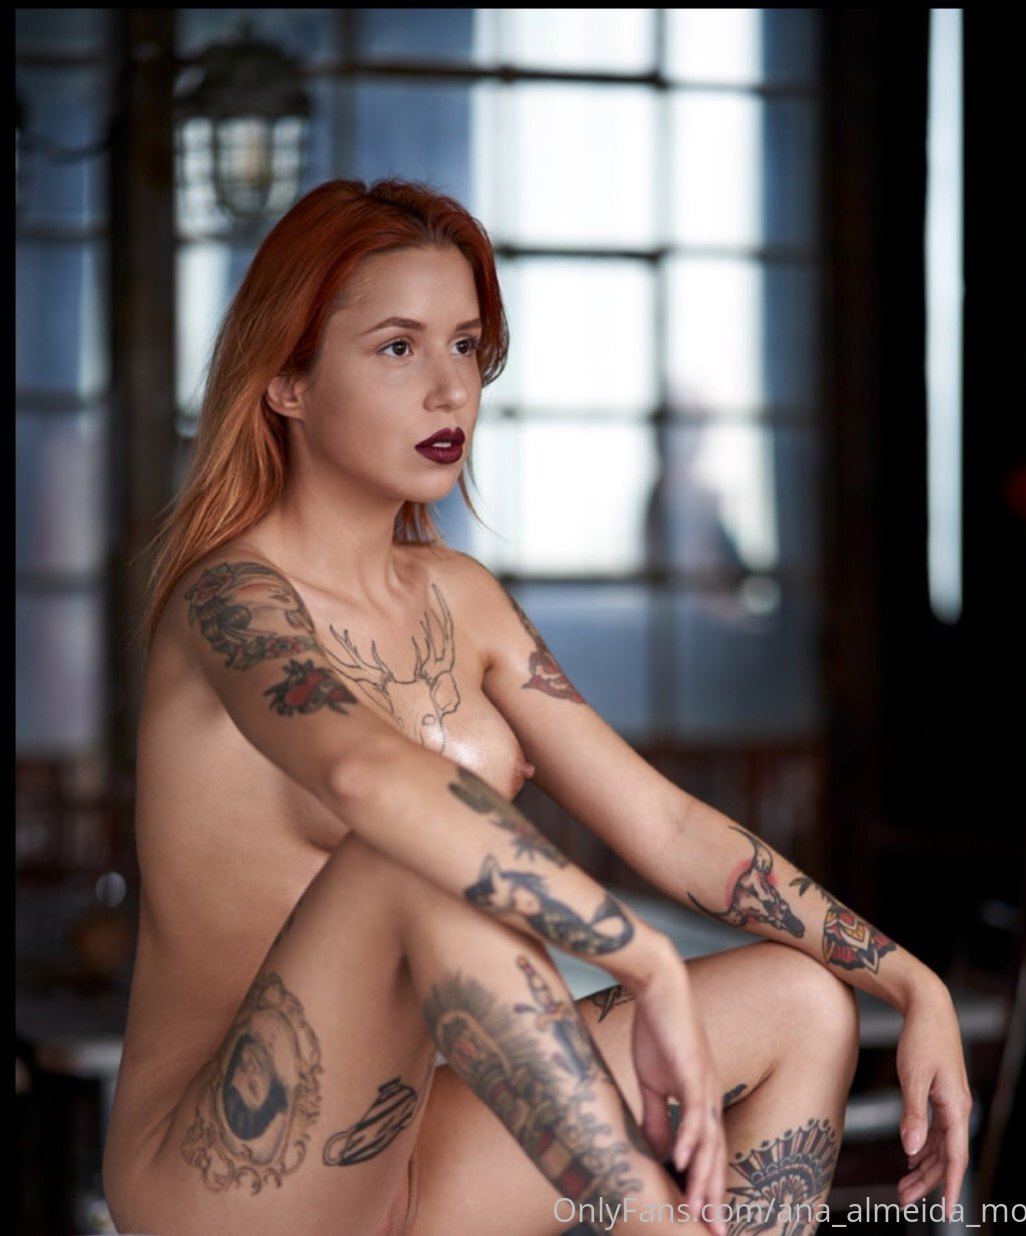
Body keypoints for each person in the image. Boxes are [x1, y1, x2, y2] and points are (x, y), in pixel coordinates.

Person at [103, 178, 971, 1236]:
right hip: (228, 1172)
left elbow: (667, 825)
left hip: (411, 1148)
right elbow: (368, 777)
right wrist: (640, 956)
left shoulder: (464, 600)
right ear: (287, 380)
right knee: (418, 843)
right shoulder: (230, 601)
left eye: (466, 347)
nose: (449, 390)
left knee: (803, 1005)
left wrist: (910, 982)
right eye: (397, 347)